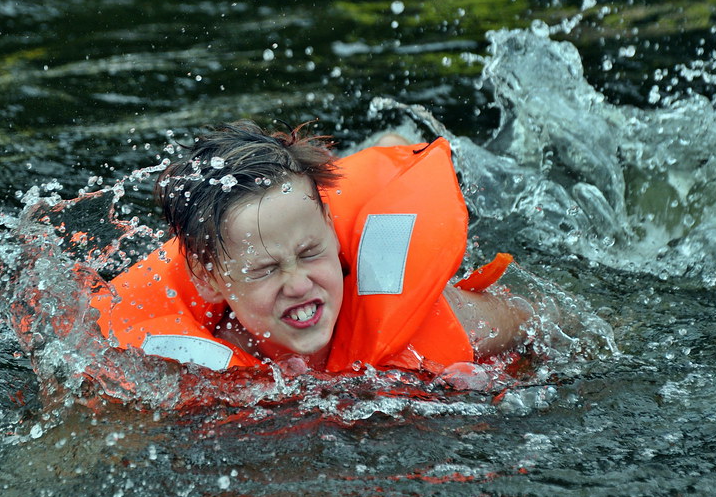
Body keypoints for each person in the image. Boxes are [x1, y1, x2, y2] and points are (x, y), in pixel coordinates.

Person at [91, 120, 528, 374]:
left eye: (310, 254)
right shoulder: (178, 371)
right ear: (209, 280)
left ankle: (390, 146)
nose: (298, 285)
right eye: (265, 270)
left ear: (333, 235)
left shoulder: (445, 315)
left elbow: (556, 324)